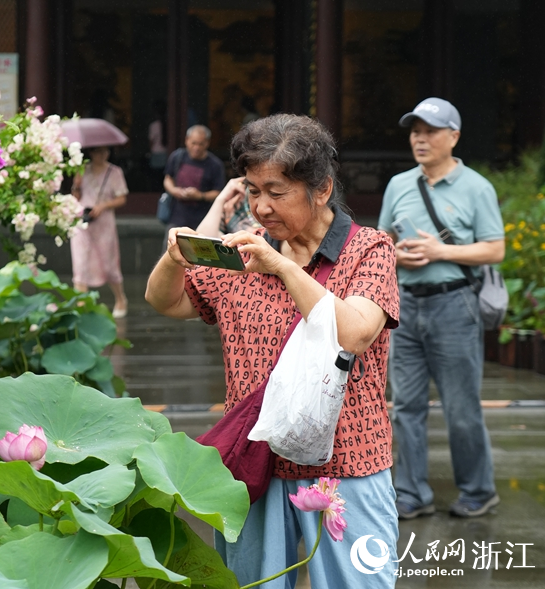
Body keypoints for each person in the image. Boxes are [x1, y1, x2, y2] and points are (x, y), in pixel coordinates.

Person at [146, 114, 401, 588]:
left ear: (321, 189)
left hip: (345, 465)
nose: (261, 207)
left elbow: (354, 333)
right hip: (255, 464)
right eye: (253, 190)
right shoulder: (246, 249)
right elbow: (169, 300)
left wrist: (282, 266)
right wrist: (172, 257)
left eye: (276, 192)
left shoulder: (369, 249)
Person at [377, 98, 505, 519]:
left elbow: (494, 248)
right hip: (406, 308)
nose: (420, 138)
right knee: (406, 406)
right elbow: (380, 243)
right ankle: (411, 493)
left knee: (462, 407)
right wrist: (396, 255)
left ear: (454, 136)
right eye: (415, 130)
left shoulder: (476, 187)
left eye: (430, 130)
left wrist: (440, 251)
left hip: (455, 306)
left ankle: (478, 489)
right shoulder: (398, 184)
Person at [70, 146, 129, 318]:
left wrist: (104, 206)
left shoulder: (114, 172)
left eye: (105, 151)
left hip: (104, 223)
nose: (102, 155)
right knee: (81, 264)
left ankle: (120, 298)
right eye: (98, 152)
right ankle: (82, 306)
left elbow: (122, 198)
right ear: (91, 153)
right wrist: (77, 185)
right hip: (83, 222)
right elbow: (75, 198)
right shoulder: (82, 170)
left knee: (109, 263)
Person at [162, 125, 226, 240]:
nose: (196, 148)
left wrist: (200, 196)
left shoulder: (215, 165)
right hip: (176, 218)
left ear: (207, 143)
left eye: (200, 144)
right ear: (187, 140)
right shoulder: (177, 157)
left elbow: (219, 192)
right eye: (193, 143)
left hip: (202, 220)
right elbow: (167, 179)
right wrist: (174, 191)